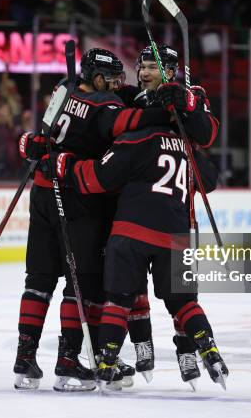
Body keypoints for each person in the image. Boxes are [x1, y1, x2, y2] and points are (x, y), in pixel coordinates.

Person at [14, 48, 170, 392]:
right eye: (113, 78)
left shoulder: (62, 91)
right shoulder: (104, 104)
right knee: (83, 283)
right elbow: (129, 122)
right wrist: (165, 113)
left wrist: (33, 145)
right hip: (76, 198)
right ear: (97, 78)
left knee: (38, 279)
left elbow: (41, 139)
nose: (118, 84)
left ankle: (24, 359)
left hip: (41, 193)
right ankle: (68, 362)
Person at [42, 121, 229, 391]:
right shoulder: (187, 145)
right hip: (176, 234)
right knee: (184, 302)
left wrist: (64, 166)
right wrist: (194, 147)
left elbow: (100, 177)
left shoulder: (138, 137)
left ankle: (106, 361)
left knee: (118, 301)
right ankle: (208, 350)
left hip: (132, 230)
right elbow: (209, 181)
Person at [115, 44, 220, 384]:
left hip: (178, 213)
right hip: (135, 208)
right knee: (132, 288)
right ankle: (142, 344)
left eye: (151, 67)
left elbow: (207, 134)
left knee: (182, 294)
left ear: (171, 72)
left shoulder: (189, 97)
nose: (143, 72)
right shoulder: (135, 99)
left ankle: (186, 350)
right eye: (141, 65)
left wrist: (188, 106)